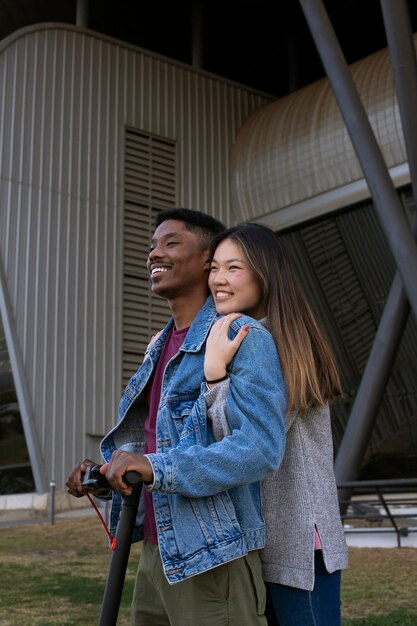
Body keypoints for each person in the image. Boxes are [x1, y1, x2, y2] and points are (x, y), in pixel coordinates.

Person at [66, 208, 287, 626]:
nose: (154, 254)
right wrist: (106, 475)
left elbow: (259, 449)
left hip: (212, 558)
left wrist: (153, 467)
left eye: (171, 243)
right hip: (157, 555)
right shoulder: (159, 346)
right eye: (152, 246)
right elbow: (157, 449)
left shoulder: (241, 336)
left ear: (207, 262)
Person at [203, 223, 349, 626]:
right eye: (214, 267)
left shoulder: (270, 344)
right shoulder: (261, 336)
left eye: (234, 267)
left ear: (264, 273)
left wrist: (215, 377)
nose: (218, 279)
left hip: (298, 545)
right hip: (280, 540)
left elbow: (243, 444)